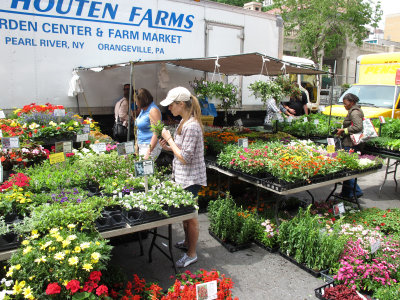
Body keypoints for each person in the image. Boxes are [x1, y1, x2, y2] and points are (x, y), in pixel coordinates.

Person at [159, 86, 207, 268]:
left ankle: (192, 253)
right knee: (186, 215)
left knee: (191, 217)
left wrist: (169, 139)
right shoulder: (183, 122)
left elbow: (186, 158)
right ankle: (187, 243)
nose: (169, 108)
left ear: (180, 104)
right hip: (183, 177)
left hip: (190, 178)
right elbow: (183, 151)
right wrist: (169, 147)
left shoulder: (192, 126)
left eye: (171, 105)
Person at [335, 93, 364, 199]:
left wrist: (344, 130)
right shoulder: (353, 111)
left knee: (348, 170)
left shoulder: (355, 112)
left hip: (350, 143)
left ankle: (357, 191)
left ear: (351, 102)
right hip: (349, 142)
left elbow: (358, 127)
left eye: (345, 103)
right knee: (347, 168)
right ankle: (346, 193)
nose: (344, 105)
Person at [135, 88, 162, 160]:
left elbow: (156, 133)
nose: (135, 103)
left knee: (145, 170)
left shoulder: (153, 110)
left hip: (149, 145)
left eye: (136, 101)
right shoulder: (143, 110)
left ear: (141, 100)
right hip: (142, 144)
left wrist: (148, 152)